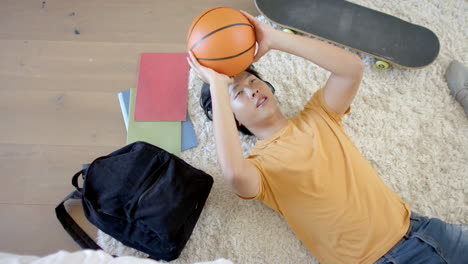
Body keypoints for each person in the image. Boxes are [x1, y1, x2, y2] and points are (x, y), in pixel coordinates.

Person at [187, 11, 468, 264]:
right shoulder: (259, 168)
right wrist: (216, 85)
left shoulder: (318, 115)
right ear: (232, 119)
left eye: (252, 80)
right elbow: (234, 175)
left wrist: (273, 39)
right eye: (237, 93)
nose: (251, 89)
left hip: (424, 230)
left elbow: (351, 69)